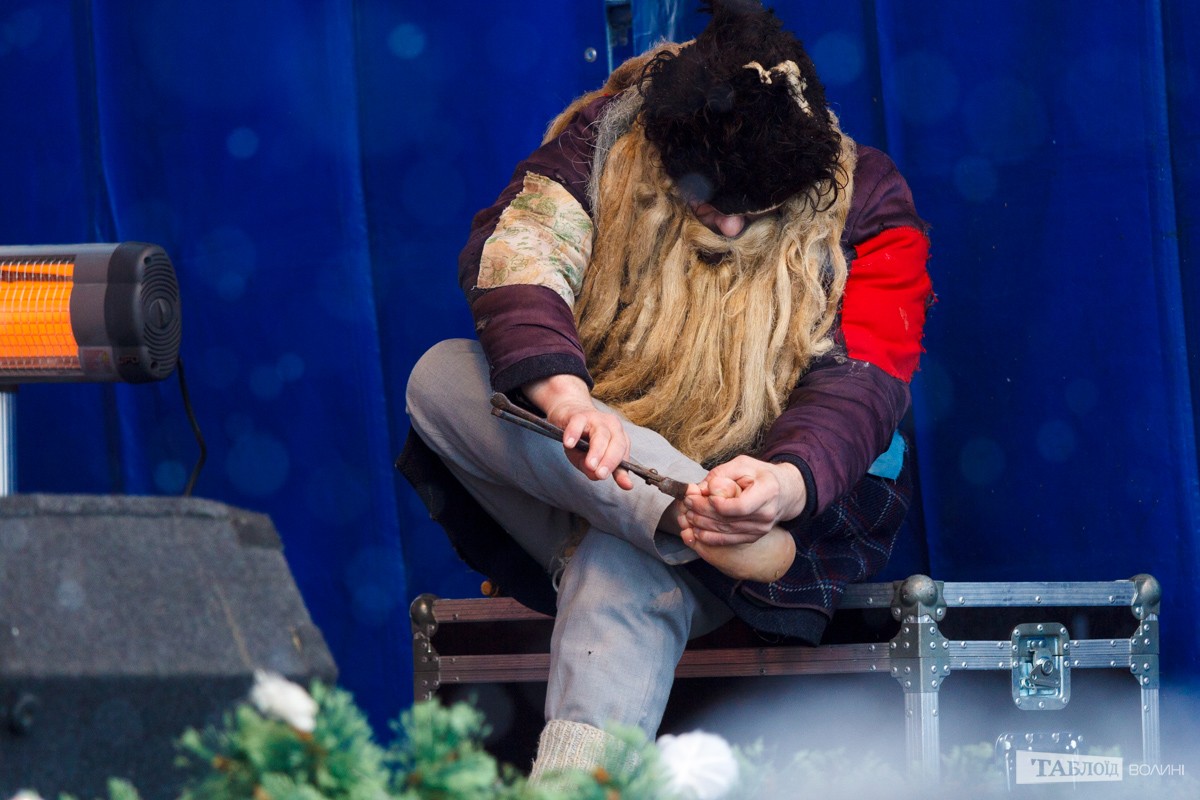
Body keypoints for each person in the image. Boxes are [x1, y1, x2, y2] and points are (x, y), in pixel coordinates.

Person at [399, 0, 933, 779]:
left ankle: (576, 780)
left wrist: (782, 486)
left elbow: (869, 381)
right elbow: (522, 253)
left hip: (761, 499)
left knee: (620, 566)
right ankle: (680, 513)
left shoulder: (871, 202)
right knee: (437, 377)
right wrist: (571, 402)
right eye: (710, 204)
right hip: (590, 455)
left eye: (755, 212)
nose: (728, 229)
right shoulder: (606, 141)